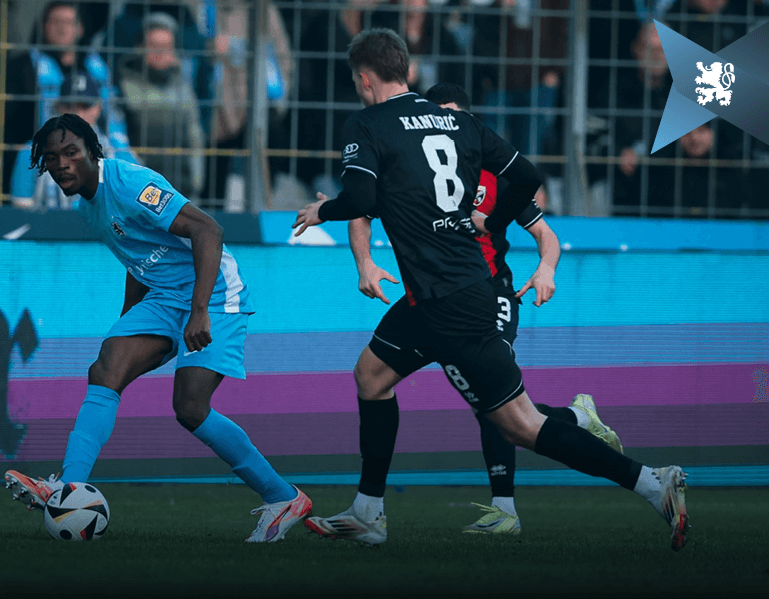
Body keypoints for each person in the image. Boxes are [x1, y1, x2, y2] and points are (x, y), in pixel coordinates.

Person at [293, 28, 689, 550]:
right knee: (370, 375)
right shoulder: (461, 122)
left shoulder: (368, 122)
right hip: (431, 298)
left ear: (364, 79)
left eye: (357, 81)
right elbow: (526, 176)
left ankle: (650, 482)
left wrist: (322, 208)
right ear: (406, 70)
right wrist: (485, 219)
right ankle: (368, 511)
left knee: (520, 426)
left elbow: (360, 195)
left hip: (453, 300)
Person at [3, 114, 312, 542]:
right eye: (52, 158)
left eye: (71, 153)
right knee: (105, 370)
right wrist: (129, 316)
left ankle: (284, 498)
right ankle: (69, 487)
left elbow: (208, 229)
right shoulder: (88, 205)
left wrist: (199, 311)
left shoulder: (129, 184)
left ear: (93, 153)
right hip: (165, 298)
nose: (61, 165)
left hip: (216, 294)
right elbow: (140, 256)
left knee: (190, 407)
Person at [345, 81, 624, 535]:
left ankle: (505, 510)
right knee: (489, 403)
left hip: (490, 294)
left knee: (490, 402)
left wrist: (547, 269)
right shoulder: (411, 169)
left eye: (455, 115)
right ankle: (576, 418)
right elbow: (363, 209)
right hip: (431, 297)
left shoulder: (493, 174)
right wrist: (365, 261)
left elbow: (545, 235)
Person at [10, 72, 138, 210]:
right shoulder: (31, 152)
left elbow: (135, 200)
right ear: (59, 107)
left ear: (98, 108)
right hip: (50, 229)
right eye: (70, 107)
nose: (78, 115)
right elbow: (22, 212)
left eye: (85, 107)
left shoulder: (118, 149)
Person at [117, 12, 204, 201]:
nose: (160, 53)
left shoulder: (184, 88)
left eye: (166, 47)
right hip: (139, 190)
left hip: (182, 189)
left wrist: (196, 183)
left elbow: (194, 136)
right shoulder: (124, 86)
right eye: (153, 46)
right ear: (140, 48)